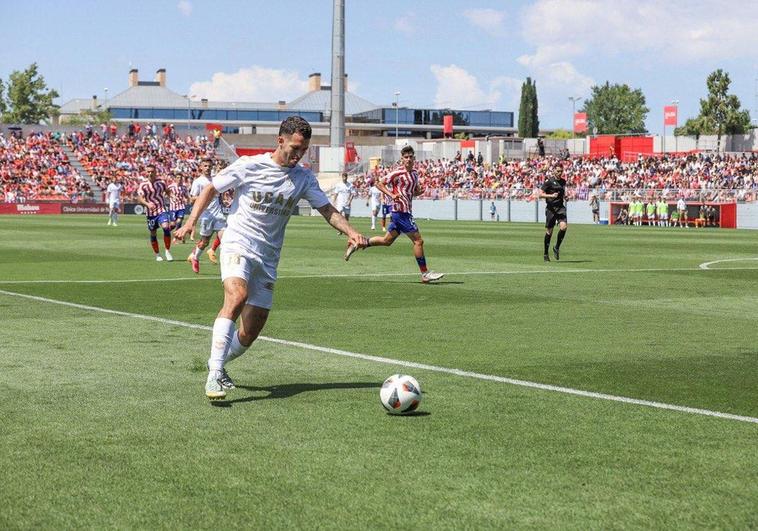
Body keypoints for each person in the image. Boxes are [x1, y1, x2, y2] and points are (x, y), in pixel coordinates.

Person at [172, 117, 367, 400]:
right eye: (295, 147)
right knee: (236, 296)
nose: (299, 155)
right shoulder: (250, 165)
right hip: (238, 243)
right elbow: (211, 188)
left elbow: (327, 209)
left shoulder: (303, 178)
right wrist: (191, 222)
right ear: (280, 140)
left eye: (304, 150)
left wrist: (351, 231)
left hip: (268, 256)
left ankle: (219, 362)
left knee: (252, 329)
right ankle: (214, 374)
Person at [344, 145, 444, 284]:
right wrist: (391, 194)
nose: (408, 159)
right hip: (400, 212)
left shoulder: (415, 173)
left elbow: (411, 191)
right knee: (418, 241)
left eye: (410, 157)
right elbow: (379, 184)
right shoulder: (397, 173)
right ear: (402, 159)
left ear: (414, 158)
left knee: (387, 241)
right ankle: (424, 273)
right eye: (406, 157)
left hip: (404, 211)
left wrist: (418, 193)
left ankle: (358, 243)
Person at [185, 159, 227, 274]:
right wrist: (205, 196)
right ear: (201, 167)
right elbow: (192, 199)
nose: (208, 168)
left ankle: (226, 268)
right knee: (204, 242)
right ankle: (195, 257)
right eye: (205, 166)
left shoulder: (216, 179)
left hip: (218, 214)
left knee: (226, 240)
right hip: (206, 215)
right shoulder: (198, 182)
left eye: (209, 166)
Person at [136, 164, 173, 262]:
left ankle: (167, 251)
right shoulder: (143, 185)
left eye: (152, 171)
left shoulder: (161, 182)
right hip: (150, 213)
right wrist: (147, 204)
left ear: (156, 172)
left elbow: (167, 191)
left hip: (161, 210)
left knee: (166, 227)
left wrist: (170, 196)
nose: (150, 173)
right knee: (153, 233)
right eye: (148, 172)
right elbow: (139, 198)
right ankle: (157, 254)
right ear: (146, 172)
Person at [537, 166, 568, 261]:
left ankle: (556, 247)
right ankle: (546, 254)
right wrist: (551, 195)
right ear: (554, 171)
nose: (560, 172)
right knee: (549, 231)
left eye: (561, 171)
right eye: (558, 171)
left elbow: (562, 193)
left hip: (560, 208)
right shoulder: (549, 182)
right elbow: (540, 194)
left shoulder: (563, 181)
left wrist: (565, 197)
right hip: (551, 209)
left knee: (564, 227)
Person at [167, 176, 190, 242]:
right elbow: (166, 192)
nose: (179, 179)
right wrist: (171, 196)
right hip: (173, 207)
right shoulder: (171, 186)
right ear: (175, 179)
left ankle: (175, 238)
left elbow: (187, 196)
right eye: (178, 177)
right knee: (173, 225)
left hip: (181, 207)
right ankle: (167, 232)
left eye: (180, 178)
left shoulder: (184, 187)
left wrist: (187, 200)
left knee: (179, 222)